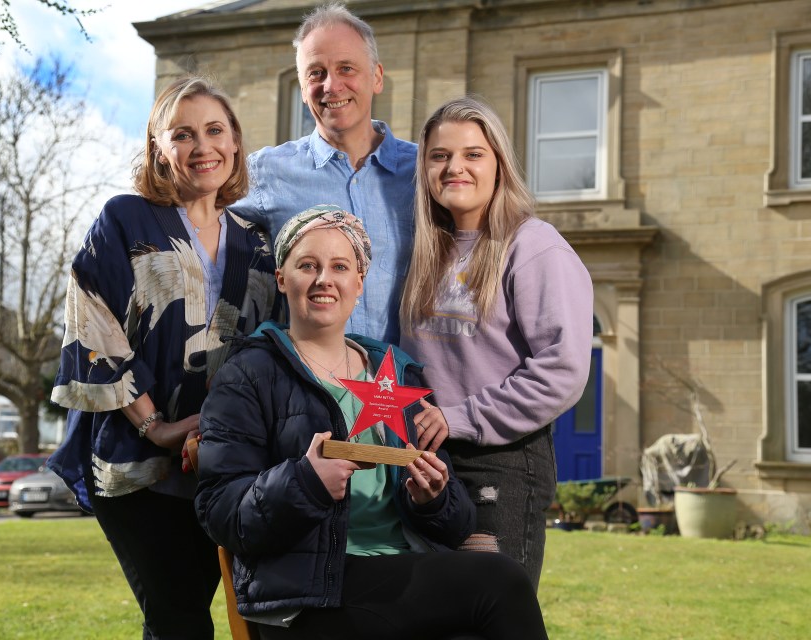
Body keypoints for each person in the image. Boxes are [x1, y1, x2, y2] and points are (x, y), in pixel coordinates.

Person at [195, 205, 548, 640]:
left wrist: (433, 499)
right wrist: (303, 482)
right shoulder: (247, 374)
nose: (324, 278)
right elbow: (220, 513)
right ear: (283, 278)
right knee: (500, 579)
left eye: (340, 266)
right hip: (306, 597)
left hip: (402, 571)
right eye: (308, 265)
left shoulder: (398, 374)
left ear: (358, 283)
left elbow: (456, 523)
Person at [47, 76, 281, 640]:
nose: (203, 147)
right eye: (183, 134)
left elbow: (270, 341)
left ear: (235, 142)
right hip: (138, 461)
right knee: (177, 616)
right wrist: (157, 426)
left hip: (224, 463)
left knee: (199, 613)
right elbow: (94, 324)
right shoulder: (127, 218)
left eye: (214, 130)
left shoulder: (258, 239)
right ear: (158, 148)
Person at [399, 96, 594, 591]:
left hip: (502, 463)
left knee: (491, 614)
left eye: (473, 154)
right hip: (426, 458)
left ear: (499, 164)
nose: (454, 167)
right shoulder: (423, 249)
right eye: (440, 155)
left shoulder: (534, 246)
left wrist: (460, 417)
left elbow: (563, 369)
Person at [229, 2, 415, 345]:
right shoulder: (267, 171)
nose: (331, 85)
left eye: (346, 68)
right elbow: (198, 226)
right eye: (316, 73)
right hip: (306, 390)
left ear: (376, 77)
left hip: (403, 386)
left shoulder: (423, 172)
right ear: (302, 89)